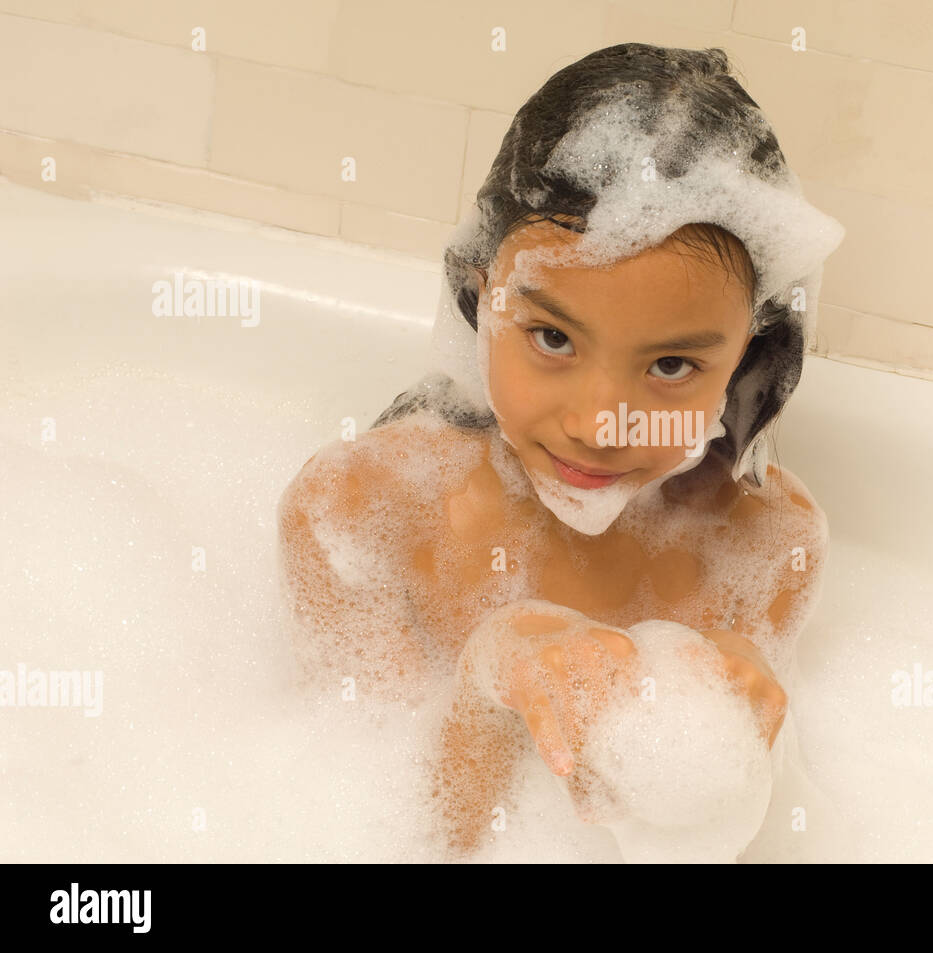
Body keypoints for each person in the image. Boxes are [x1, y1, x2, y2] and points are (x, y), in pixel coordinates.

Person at [276, 42, 844, 858]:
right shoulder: (361, 516)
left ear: (745, 356)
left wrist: (752, 753)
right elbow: (375, 830)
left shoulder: (768, 545)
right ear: (481, 298)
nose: (602, 422)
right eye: (551, 336)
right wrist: (489, 668)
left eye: (673, 364)